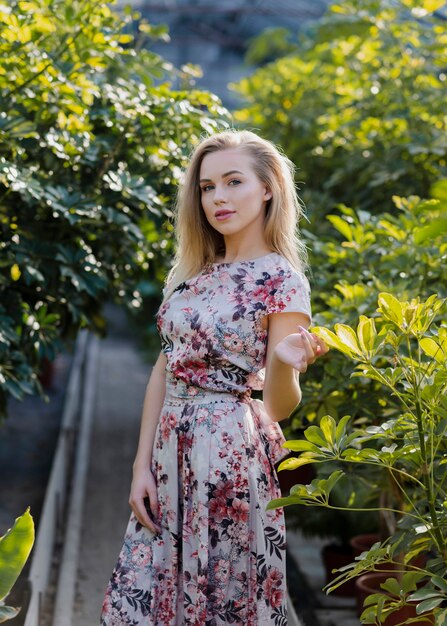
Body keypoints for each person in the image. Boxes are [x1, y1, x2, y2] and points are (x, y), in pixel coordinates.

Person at [100, 129, 328, 625]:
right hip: (168, 454)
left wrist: (286, 361)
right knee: (140, 600)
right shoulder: (194, 272)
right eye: (206, 187)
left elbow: (278, 408)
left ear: (267, 188)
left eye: (232, 181)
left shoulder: (283, 279)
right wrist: (141, 467)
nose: (218, 197)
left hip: (230, 455)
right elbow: (165, 368)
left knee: (224, 600)